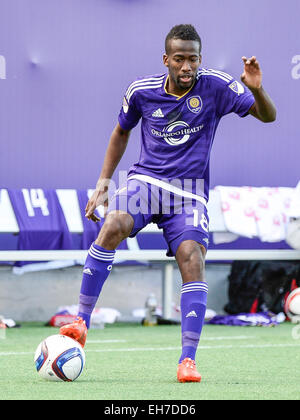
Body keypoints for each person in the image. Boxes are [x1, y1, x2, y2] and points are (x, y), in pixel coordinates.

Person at [60, 24, 276, 382]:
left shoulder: (218, 85)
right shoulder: (141, 91)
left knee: (192, 256)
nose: (187, 66)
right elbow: (121, 132)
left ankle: (187, 361)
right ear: (166, 60)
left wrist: (257, 89)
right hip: (147, 182)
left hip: (189, 193)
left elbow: (268, 116)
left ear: (200, 59)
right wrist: (103, 182)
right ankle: (81, 321)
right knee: (113, 224)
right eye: (179, 59)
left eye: (193, 59)